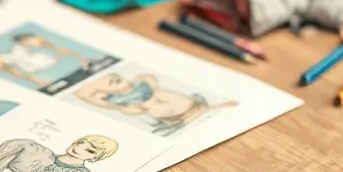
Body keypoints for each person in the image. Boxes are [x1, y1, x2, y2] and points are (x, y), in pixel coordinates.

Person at [75, 71, 236, 135]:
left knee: (167, 95)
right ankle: (183, 118)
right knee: (155, 106)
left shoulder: (138, 83)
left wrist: (151, 86)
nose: (119, 82)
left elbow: (148, 78)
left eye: (117, 79)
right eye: (112, 83)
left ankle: (200, 109)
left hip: (167, 98)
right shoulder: (117, 100)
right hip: (155, 107)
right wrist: (136, 108)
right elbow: (84, 94)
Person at [0, 33, 91, 85]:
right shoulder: (9, 60)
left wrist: (80, 57)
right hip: (44, 65)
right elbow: (17, 73)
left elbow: (17, 73)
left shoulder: (13, 53)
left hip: (47, 62)